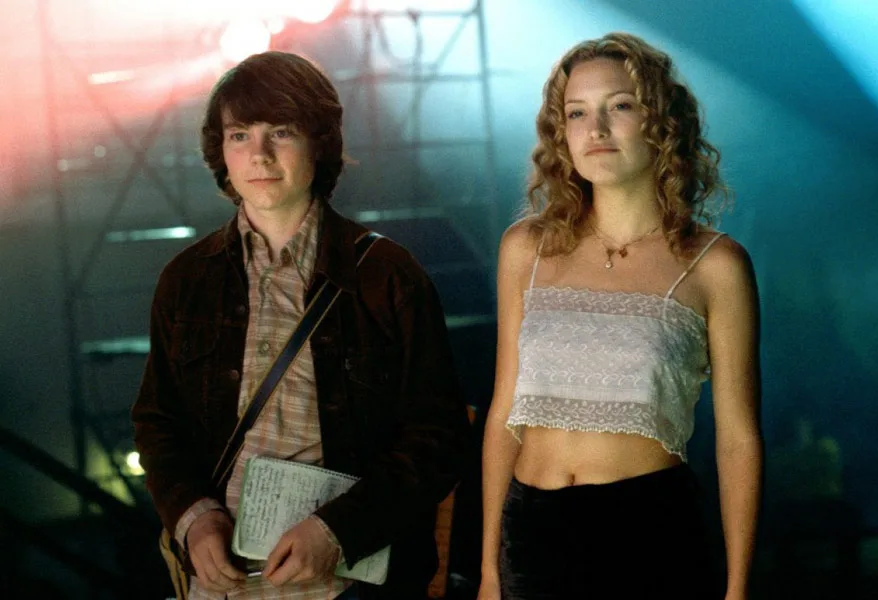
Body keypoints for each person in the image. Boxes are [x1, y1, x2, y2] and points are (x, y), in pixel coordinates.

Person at [131, 51, 471, 600]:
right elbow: (157, 423)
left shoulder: (386, 275)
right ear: (221, 151)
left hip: (350, 581)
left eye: (281, 132)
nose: (259, 154)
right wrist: (193, 519)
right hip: (224, 582)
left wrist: (337, 530)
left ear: (320, 142)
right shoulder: (187, 279)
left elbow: (439, 436)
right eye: (239, 135)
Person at [478, 33, 762, 600]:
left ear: (663, 123)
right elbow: (503, 411)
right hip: (533, 539)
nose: (596, 129)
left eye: (620, 105)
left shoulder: (715, 265)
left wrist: (737, 590)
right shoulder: (525, 249)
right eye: (577, 113)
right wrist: (488, 571)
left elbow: (737, 439)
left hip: (649, 534)